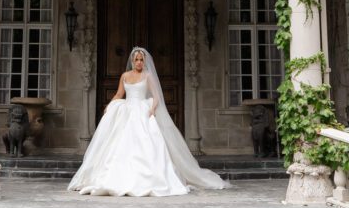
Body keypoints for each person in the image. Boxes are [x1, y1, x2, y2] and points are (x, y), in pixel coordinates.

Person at [68, 46, 229, 196]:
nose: (139, 62)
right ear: (132, 61)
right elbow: (119, 94)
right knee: (119, 144)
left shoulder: (148, 76)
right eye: (137, 59)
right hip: (127, 110)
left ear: (144, 61)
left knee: (148, 143)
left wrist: (152, 108)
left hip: (142, 110)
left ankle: (150, 178)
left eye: (141, 60)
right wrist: (109, 105)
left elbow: (157, 96)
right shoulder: (125, 76)